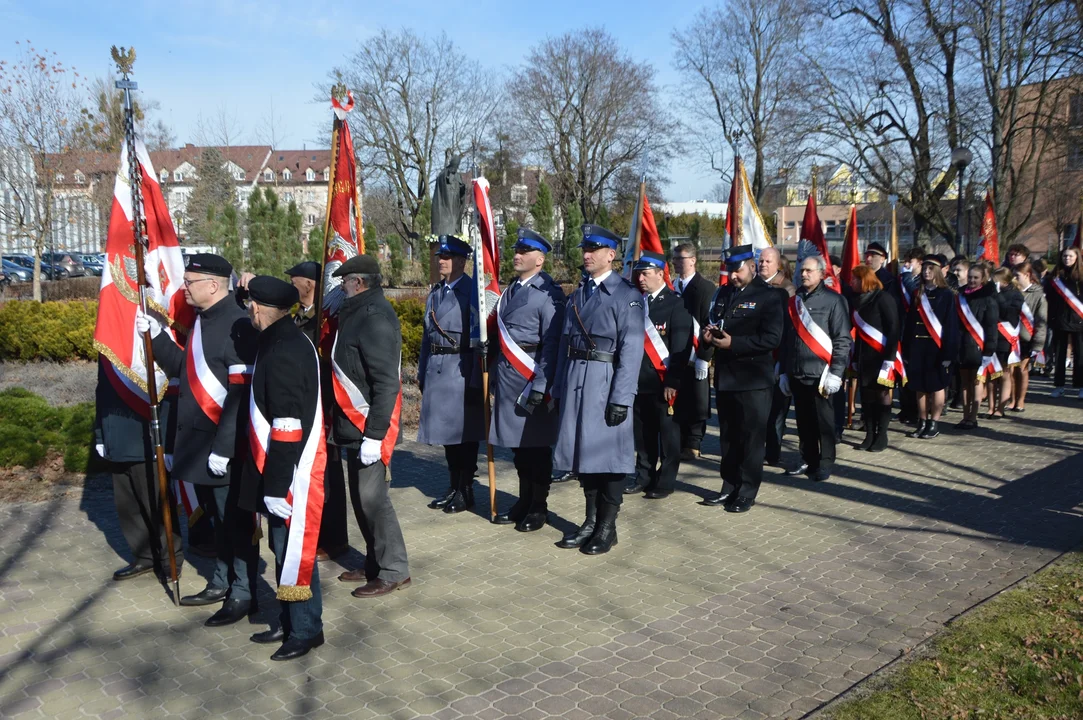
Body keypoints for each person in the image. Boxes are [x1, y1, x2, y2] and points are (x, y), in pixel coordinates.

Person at [136, 253, 259, 625]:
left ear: (213, 284)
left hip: (226, 447)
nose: (183, 288)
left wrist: (223, 449)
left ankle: (244, 592)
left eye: (189, 282)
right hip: (199, 446)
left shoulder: (239, 325)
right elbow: (183, 373)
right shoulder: (204, 320)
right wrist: (155, 337)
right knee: (218, 524)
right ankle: (222, 580)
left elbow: (239, 396)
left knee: (235, 523)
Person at [239, 276, 325, 661]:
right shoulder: (281, 339)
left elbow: (288, 424)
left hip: (289, 471)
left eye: (249, 307)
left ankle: (305, 630)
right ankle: (292, 622)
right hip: (281, 466)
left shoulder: (284, 349)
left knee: (292, 549)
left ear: (257, 308)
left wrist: (275, 487)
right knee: (281, 547)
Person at [552, 224, 640, 554]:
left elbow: (632, 350)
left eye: (593, 249)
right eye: (584, 249)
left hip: (605, 382)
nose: (586, 255)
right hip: (576, 380)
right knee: (583, 454)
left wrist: (621, 397)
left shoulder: (626, 296)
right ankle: (589, 521)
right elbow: (565, 346)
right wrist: (559, 387)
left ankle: (607, 526)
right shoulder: (578, 294)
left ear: (611, 255)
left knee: (611, 458)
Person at [328, 255, 411, 597]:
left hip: (369, 425)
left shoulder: (373, 317)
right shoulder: (356, 312)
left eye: (344, 282)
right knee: (361, 500)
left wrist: (375, 435)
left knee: (373, 499)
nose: (341, 287)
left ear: (358, 283)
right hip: (353, 423)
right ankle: (376, 562)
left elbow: (386, 383)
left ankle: (394, 570)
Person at [490, 229, 566, 531]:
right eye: (515, 250)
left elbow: (552, 344)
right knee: (519, 449)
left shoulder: (550, 293)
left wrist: (541, 385)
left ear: (540, 259)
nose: (516, 256)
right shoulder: (511, 289)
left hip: (532, 377)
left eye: (523, 251)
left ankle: (538, 506)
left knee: (536, 449)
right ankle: (523, 500)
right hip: (509, 379)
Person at [699, 245, 784, 512]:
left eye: (737, 270)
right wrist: (709, 336)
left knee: (751, 439)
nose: (733, 276)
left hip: (753, 379)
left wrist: (734, 343)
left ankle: (747, 490)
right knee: (728, 437)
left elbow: (772, 338)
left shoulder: (770, 296)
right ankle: (729, 486)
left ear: (751, 266)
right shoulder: (724, 292)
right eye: (730, 271)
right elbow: (715, 321)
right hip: (726, 378)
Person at [283, 261, 350, 562]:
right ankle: (315, 530)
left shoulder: (326, 321)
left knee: (330, 474)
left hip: (325, 405)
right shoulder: (298, 317)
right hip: (302, 404)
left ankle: (335, 539)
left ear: (309, 284)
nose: (291, 284)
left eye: (294, 279)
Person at [94, 360, 182, 582]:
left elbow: (167, 391)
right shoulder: (107, 345)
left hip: (147, 438)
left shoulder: (149, 338)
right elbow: (102, 390)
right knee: (128, 504)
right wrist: (100, 434)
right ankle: (144, 556)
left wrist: (166, 441)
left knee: (155, 502)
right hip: (115, 434)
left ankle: (169, 558)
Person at [418, 236, 484, 513]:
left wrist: (474, 380)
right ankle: (453, 485)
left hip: (460, 369)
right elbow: (426, 337)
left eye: (446, 258)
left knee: (463, 437)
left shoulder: (471, 292)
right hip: (437, 369)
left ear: (461, 261)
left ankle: (465, 489)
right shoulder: (437, 292)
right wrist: (422, 371)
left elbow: (479, 339)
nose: (440, 262)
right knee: (447, 437)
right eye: (439, 258)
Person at [625, 251, 693, 499]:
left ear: (659, 273)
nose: (640, 278)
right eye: (638, 273)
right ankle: (643, 476)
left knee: (668, 436)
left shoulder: (676, 303)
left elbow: (680, 347)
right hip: (638, 381)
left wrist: (673, 381)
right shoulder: (636, 302)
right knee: (642, 435)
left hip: (664, 383)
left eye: (645, 273)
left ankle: (665, 481)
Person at [779, 253, 852, 482]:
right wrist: (783, 370)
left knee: (825, 423)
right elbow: (787, 338)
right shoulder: (794, 300)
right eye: (802, 270)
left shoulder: (834, 301)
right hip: (797, 372)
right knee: (804, 422)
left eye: (809, 270)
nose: (804, 274)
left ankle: (826, 462)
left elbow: (842, 339)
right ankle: (809, 459)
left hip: (822, 374)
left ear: (822, 274)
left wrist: (836, 373)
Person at [901, 256, 960, 439]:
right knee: (919, 386)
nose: (926, 271)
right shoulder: (918, 293)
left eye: (930, 268)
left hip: (937, 348)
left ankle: (934, 423)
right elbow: (910, 323)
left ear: (938, 271)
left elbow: (951, 325)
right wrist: (907, 349)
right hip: (918, 346)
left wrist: (949, 352)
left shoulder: (946, 294)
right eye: (924, 268)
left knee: (936, 386)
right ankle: (922, 421)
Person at [849, 266, 900, 452]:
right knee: (867, 397)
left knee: (882, 395)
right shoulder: (857, 301)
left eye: (855, 279)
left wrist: (890, 358)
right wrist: (854, 358)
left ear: (864, 280)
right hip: (864, 357)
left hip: (882, 356)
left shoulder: (883, 298)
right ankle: (869, 434)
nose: (851, 282)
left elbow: (893, 328)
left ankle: (882, 435)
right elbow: (858, 334)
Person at [671, 242, 714, 460]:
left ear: (693, 260)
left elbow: (709, 324)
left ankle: (694, 442)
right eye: (675, 258)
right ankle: (679, 441)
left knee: (698, 400)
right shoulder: (672, 286)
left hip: (697, 353)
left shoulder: (705, 288)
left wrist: (704, 358)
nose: (677, 262)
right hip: (676, 353)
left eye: (681, 258)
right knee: (679, 398)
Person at [759, 247, 797, 467]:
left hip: (777, 357)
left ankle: (773, 452)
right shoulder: (755, 285)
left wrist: (783, 363)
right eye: (760, 261)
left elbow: (789, 328)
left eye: (767, 261)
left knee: (777, 410)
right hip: (757, 357)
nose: (763, 264)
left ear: (778, 265)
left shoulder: (787, 289)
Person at [954, 264, 998, 430]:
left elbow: (991, 327)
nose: (972, 280)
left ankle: (973, 417)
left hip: (979, 347)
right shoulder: (960, 297)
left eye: (976, 278)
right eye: (970, 277)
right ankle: (965, 416)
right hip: (962, 346)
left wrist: (989, 350)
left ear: (982, 279)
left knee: (977, 382)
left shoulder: (989, 299)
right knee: (964, 383)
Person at [1009, 261, 1047, 411]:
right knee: (1011, 370)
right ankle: (1011, 399)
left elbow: (1041, 320)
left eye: (1017, 275)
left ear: (1027, 275)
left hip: (1027, 337)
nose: (1014, 278)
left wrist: (1038, 344)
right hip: (1011, 336)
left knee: (1022, 369)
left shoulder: (1038, 295)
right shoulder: (1011, 292)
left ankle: (1021, 400)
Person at [894, 247, 926, 424]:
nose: (905, 265)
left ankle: (916, 410)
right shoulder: (900, 280)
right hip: (902, 328)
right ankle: (905, 408)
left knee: (913, 373)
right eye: (905, 261)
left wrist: (906, 277)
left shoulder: (921, 280)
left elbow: (916, 295)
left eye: (910, 262)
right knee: (902, 371)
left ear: (919, 263)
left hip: (916, 331)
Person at [987, 266, 1024, 417]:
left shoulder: (1016, 295)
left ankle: (1000, 408)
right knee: (990, 374)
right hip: (991, 337)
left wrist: (997, 295)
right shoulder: (991, 293)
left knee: (1004, 374)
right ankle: (990, 406)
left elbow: (1009, 312)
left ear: (1004, 281)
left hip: (1005, 337)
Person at [1047, 246, 1083, 398]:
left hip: (1079, 320)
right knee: (1060, 354)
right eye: (1064, 256)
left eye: (1070, 256)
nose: (1067, 259)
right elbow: (1049, 299)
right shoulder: (1055, 277)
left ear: (1077, 258)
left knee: (1081, 354)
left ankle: (1081, 386)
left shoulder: (1081, 277)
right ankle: (1059, 385)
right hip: (1060, 319)